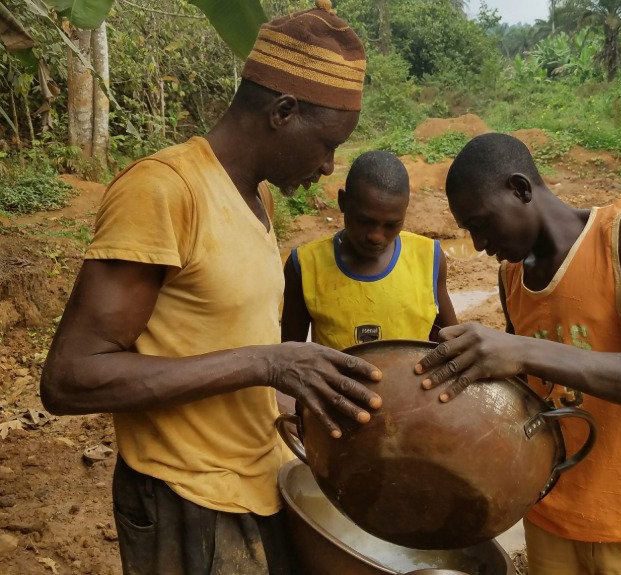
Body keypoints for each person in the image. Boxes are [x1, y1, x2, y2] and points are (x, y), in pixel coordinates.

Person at [40, 3, 383, 574]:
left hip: (258, 482)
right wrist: (269, 364)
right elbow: (70, 379)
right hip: (188, 501)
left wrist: (299, 398)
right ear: (283, 111)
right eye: (327, 144)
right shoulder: (164, 190)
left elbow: (217, 339)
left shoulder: (257, 197)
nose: (329, 166)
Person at [415, 133, 621, 574]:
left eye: (481, 223)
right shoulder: (511, 277)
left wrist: (524, 349)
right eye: (468, 231)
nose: (477, 243)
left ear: (520, 189)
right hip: (549, 521)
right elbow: (530, 393)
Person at [281, 150, 457, 350]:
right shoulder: (305, 265)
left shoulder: (428, 258)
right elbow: (291, 358)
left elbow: (452, 343)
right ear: (343, 202)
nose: (376, 236)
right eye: (364, 221)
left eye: (391, 225)